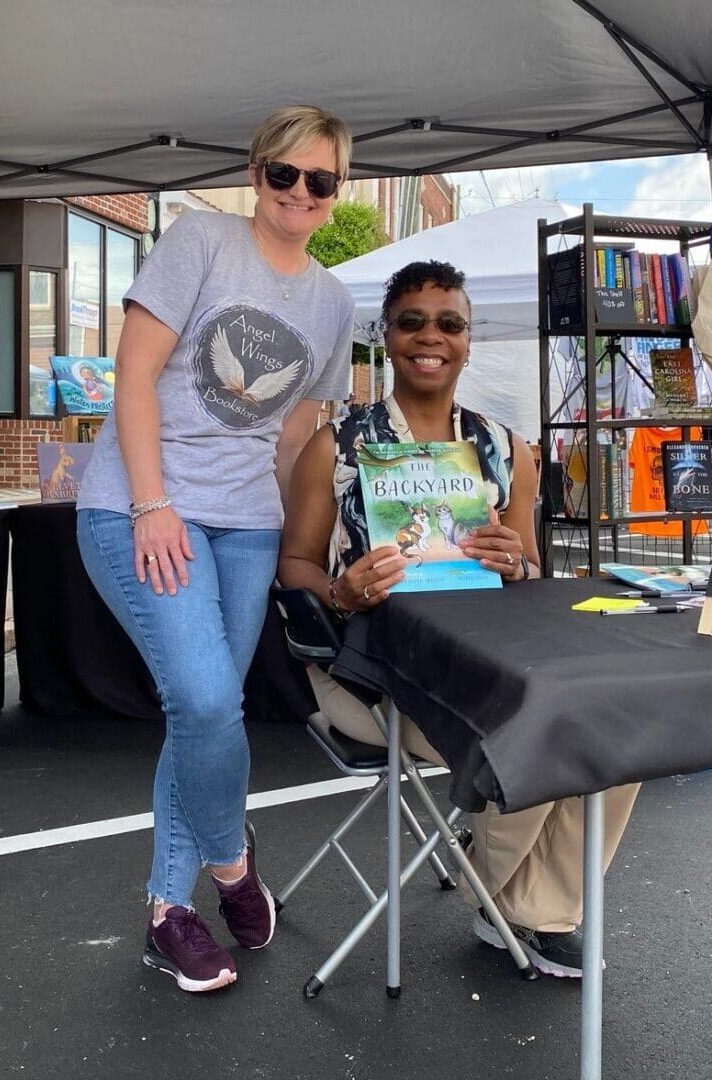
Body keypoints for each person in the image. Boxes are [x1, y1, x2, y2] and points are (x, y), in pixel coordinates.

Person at [277, 259, 640, 979]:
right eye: (411, 321)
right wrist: (343, 592)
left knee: (613, 731)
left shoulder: (507, 450)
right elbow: (293, 566)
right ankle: (500, 893)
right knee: (531, 727)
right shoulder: (339, 446)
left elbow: (533, 570)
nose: (429, 336)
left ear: (468, 338)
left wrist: (515, 564)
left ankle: (534, 908)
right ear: (386, 335)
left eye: (449, 322)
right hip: (373, 674)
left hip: (487, 658)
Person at [76, 105, 356, 993]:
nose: (300, 193)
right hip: (144, 505)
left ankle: (169, 909)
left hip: (248, 524)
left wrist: (296, 540)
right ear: (257, 170)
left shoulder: (334, 299)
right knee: (201, 696)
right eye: (285, 174)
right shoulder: (200, 241)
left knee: (204, 718)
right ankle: (231, 868)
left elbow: (298, 433)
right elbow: (135, 376)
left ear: (335, 190)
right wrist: (153, 503)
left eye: (321, 180)